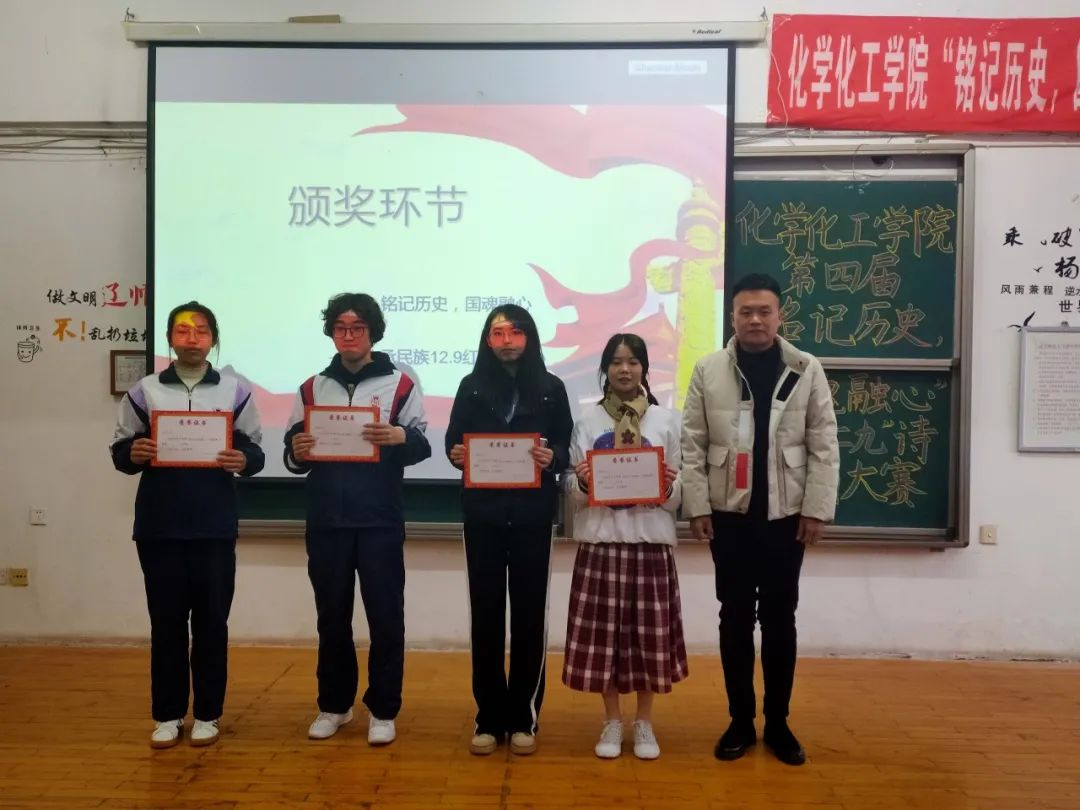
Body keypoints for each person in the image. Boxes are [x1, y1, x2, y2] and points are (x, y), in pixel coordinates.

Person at [681, 273, 839, 766]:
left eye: (764, 311)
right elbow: (692, 445)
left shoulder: (805, 368)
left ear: (779, 316)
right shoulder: (709, 369)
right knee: (733, 618)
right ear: (732, 317)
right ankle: (740, 721)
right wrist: (697, 506)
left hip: (785, 518)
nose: (755, 319)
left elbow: (824, 442)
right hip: (729, 516)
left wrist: (816, 509)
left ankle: (778, 722)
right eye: (745, 311)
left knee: (779, 619)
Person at [110, 301, 265, 749]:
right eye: (182, 330)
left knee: (212, 624)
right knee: (166, 623)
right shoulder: (145, 391)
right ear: (169, 339)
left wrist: (243, 460)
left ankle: (208, 714)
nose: (192, 338)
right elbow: (121, 450)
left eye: (201, 330)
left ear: (213, 339)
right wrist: (133, 453)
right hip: (160, 525)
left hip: (214, 525)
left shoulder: (235, 392)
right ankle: (167, 714)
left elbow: (254, 451)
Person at [284, 293, 430, 744]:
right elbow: (293, 452)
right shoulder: (311, 388)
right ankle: (334, 705)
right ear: (331, 332)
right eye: (341, 327)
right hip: (327, 519)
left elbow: (422, 444)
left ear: (373, 333)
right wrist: (297, 451)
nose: (348, 335)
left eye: (358, 328)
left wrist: (399, 436)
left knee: (386, 617)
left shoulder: (401, 384)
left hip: (379, 518)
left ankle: (383, 709)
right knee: (331, 617)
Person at [445, 304, 573, 757]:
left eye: (515, 332)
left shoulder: (551, 388)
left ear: (529, 338)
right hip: (482, 516)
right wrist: (457, 455)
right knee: (485, 617)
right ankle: (488, 717)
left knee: (529, 617)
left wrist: (553, 457)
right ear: (487, 340)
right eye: (498, 333)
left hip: (533, 517)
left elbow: (565, 443)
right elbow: (453, 442)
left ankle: (523, 716)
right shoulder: (471, 386)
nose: (506, 341)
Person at [563, 334, 686, 760]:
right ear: (605, 369)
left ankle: (644, 722)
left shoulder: (666, 421)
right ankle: (613, 719)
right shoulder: (588, 421)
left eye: (633, 362)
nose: (624, 369)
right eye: (616, 362)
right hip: (602, 540)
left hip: (650, 541)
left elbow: (682, 486)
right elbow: (572, 486)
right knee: (606, 641)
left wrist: (669, 487)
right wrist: (581, 482)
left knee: (649, 639)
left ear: (645, 369)